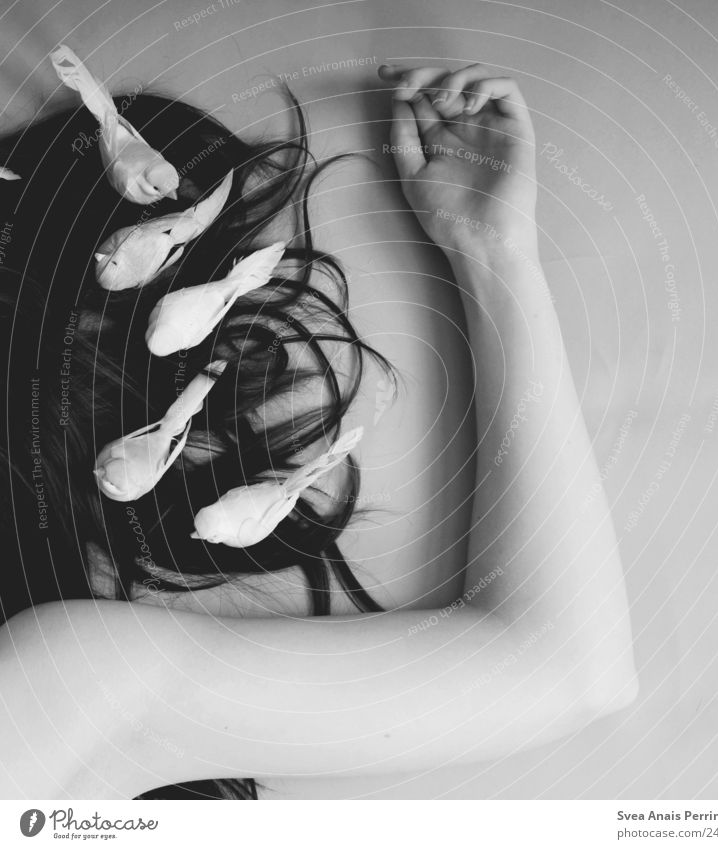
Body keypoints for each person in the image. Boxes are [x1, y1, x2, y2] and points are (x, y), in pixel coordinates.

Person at [0, 61, 637, 799]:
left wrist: (492, 253)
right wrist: (493, 257)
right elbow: (562, 666)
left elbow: (564, 666)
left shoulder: (51, 703)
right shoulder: (54, 701)